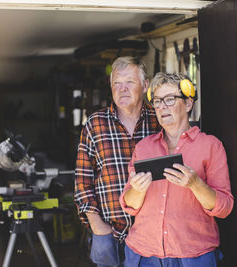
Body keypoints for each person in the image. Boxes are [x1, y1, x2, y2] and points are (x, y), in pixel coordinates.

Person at [119, 72, 234, 267]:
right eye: (157, 101)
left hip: (193, 255)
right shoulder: (144, 147)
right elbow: (129, 205)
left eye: (170, 99)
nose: (162, 106)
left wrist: (195, 184)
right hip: (143, 255)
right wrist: (137, 190)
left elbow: (224, 208)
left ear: (188, 104)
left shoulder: (211, 146)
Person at [74, 56, 161, 267]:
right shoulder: (95, 125)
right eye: (117, 83)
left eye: (129, 82)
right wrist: (97, 226)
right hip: (109, 232)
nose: (122, 89)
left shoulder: (159, 120)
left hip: (152, 233)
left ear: (145, 85)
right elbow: (82, 182)